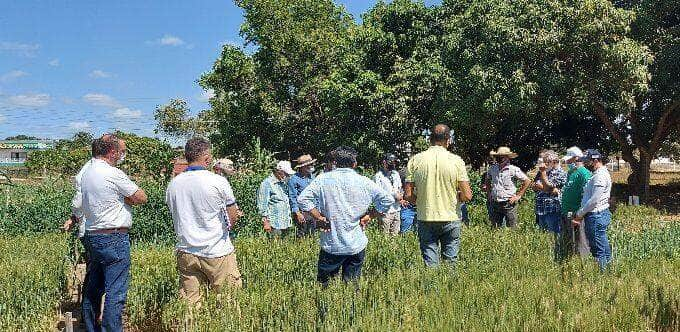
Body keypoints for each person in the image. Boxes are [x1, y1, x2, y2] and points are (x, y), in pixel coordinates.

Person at [297, 146, 394, 286]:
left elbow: (302, 199)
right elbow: (388, 200)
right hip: (356, 243)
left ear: (335, 161)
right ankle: (351, 307)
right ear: (354, 163)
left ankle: (326, 307)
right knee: (352, 287)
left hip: (332, 243)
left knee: (325, 288)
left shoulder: (323, 179)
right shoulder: (364, 181)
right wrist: (370, 216)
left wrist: (318, 217)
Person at [165, 137, 244, 306]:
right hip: (217, 251)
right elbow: (233, 216)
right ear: (207, 158)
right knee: (228, 302)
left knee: (190, 305)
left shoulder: (173, 184)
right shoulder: (218, 181)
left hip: (186, 252)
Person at [81, 134, 147, 332]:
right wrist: (124, 199)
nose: (122, 155)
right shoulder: (113, 173)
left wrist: (121, 198)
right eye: (121, 151)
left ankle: (91, 327)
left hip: (93, 235)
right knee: (115, 292)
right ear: (112, 152)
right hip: (113, 237)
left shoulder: (87, 172)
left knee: (94, 287)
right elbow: (141, 197)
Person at [404, 124, 472, 267]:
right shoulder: (456, 161)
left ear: (430, 139)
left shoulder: (415, 160)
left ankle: (432, 288)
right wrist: (455, 198)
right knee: (451, 262)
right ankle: (450, 288)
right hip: (451, 217)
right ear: (448, 140)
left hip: (426, 217)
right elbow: (467, 195)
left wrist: (422, 200)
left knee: (430, 263)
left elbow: (408, 195)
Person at [572, 149, 613, 271]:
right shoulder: (598, 174)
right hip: (598, 214)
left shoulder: (600, 176)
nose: (585, 164)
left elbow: (594, 200)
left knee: (598, 248)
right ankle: (608, 271)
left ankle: (603, 275)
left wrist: (580, 213)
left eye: (587, 161)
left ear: (595, 160)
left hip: (596, 215)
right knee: (603, 245)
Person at [557, 146, 592, 260]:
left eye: (569, 159)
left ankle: (583, 264)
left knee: (580, 241)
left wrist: (580, 213)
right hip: (566, 211)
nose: (567, 162)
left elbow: (587, 194)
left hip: (577, 213)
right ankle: (569, 260)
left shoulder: (584, 173)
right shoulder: (571, 172)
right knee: (569, 241)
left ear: (577, 158)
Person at [485, 147, 531, 229]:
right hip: (495, 202)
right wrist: (489, 194)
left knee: (512, 228)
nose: (499, 159)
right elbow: (487, 180)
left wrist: (518, 196)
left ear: (507, 157)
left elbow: (527, 181)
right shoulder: (492, 168)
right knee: (495, 228)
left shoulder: (513, 169)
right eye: (498, 157)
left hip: (509, 203)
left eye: (502, 157)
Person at [257, 161, 296, 239]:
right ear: (279, 171)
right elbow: (262, 204)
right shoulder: (266, 184)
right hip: (274, 224)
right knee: (276, 247)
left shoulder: (283, 183)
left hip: (286, 223)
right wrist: (266, 222)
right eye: (286, 174)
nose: (288, 176)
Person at [533, 150, 567, 234]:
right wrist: (546, 188)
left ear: (554, 162)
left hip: (552, 209)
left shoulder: (560, 173)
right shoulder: (544, 172)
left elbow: (548, 187)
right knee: (543, 236)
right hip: (541, 208)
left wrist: (543, 176)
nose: (544, 164)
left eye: (547, 162)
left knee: (554, 235)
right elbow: (533, 186)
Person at [373, 154, 407, 236]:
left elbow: (400, 188)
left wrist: (401, 197)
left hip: (396, 209)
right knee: (384, 237)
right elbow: (378, 194)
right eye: (390, 162)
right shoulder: (378, 176)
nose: (393, 164)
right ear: (384, 162)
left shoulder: (395, 174)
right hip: (385, 211)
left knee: (395, 237)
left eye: (394, 162)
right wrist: (394, 196)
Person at [288, 154, 317, 237]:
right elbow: (292, 197)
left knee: (312, 235)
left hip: (313, 211)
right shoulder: (294, 179)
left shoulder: (312, 177)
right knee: (302, 235)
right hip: (302, 212)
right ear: (303, 167)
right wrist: (297, 213)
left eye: (312, 164)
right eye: (310, 164)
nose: (312, 166)